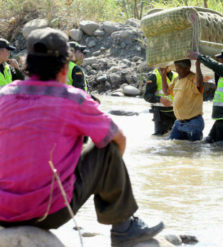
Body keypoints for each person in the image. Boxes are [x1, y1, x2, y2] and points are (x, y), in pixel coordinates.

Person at [0, 28, 163, 246]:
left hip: (3, 211)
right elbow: (119, 139)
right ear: (65, 67)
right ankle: (123, 227)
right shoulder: (73, 99)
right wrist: (89, 170)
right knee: (108, 147)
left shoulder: (4, 95)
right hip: (49, 212)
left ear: (26, 63)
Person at [161, 59, 204, 141]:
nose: (177, 70)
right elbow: (166, 92)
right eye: (176, 68)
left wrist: (198, 66)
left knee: (194, 148)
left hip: (193, 122)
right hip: (179, 122)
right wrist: (163, 75)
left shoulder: (193, 78)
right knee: (172, 144)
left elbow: (199, 85)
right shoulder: (177, 79)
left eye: (179, 68)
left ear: (187, 68)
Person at [144, 66, 178, 136]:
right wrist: (160, 99)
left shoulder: (176, 75)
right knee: (159, 137)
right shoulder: (153, 76)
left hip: (176, 113)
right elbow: (146, 96)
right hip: (161, 114)